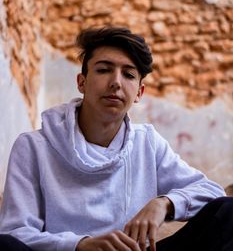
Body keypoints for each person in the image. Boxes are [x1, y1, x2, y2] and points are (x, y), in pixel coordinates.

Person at [0, 26, 232, 251]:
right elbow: (16, 232)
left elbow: (211, 191)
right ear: (81, 82)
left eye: (129, 74)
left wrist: (165, 204)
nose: (116, 82)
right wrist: (80, 245)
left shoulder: (147, 143)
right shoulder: (33, 147)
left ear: (139, 93)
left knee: (228, 214)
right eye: (103, 70)